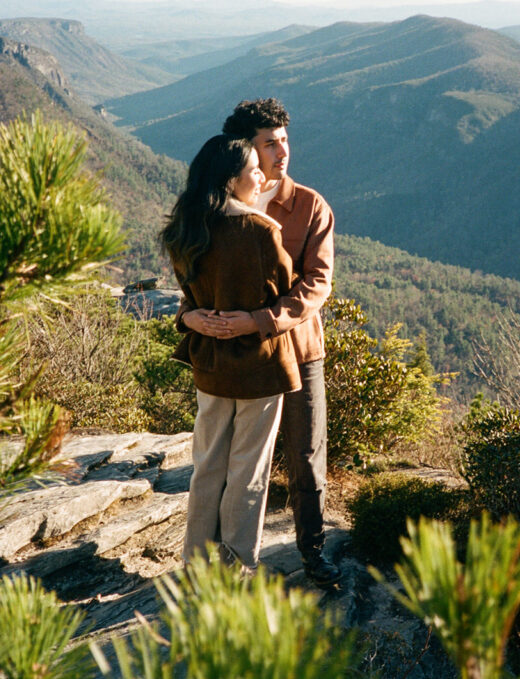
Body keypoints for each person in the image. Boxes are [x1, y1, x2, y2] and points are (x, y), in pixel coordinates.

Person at [178, 98, 340, 587]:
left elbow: (317, 283)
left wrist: (262, 320)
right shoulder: (216, 208)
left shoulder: (309, 205)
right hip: (233, 354)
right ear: (243, 151)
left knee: (306, 458)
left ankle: (312, 553)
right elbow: (194, 279)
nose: (282, 151)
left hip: (299, 348)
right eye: (269, 143)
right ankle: (220, 566)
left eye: (285, 140)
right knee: (235, 461)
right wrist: (190, 317)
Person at [163, 134, 301, 571]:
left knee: (207, 467)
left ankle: (195, 565)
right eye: (252, 171)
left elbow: (189, 296)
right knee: (248, 472)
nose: (261, 176)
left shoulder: (184, 230)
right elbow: (282, 288)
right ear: (229, 181)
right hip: (259, 366)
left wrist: (193, 317)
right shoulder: (261, 231)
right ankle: (235, 569)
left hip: (210, 364)